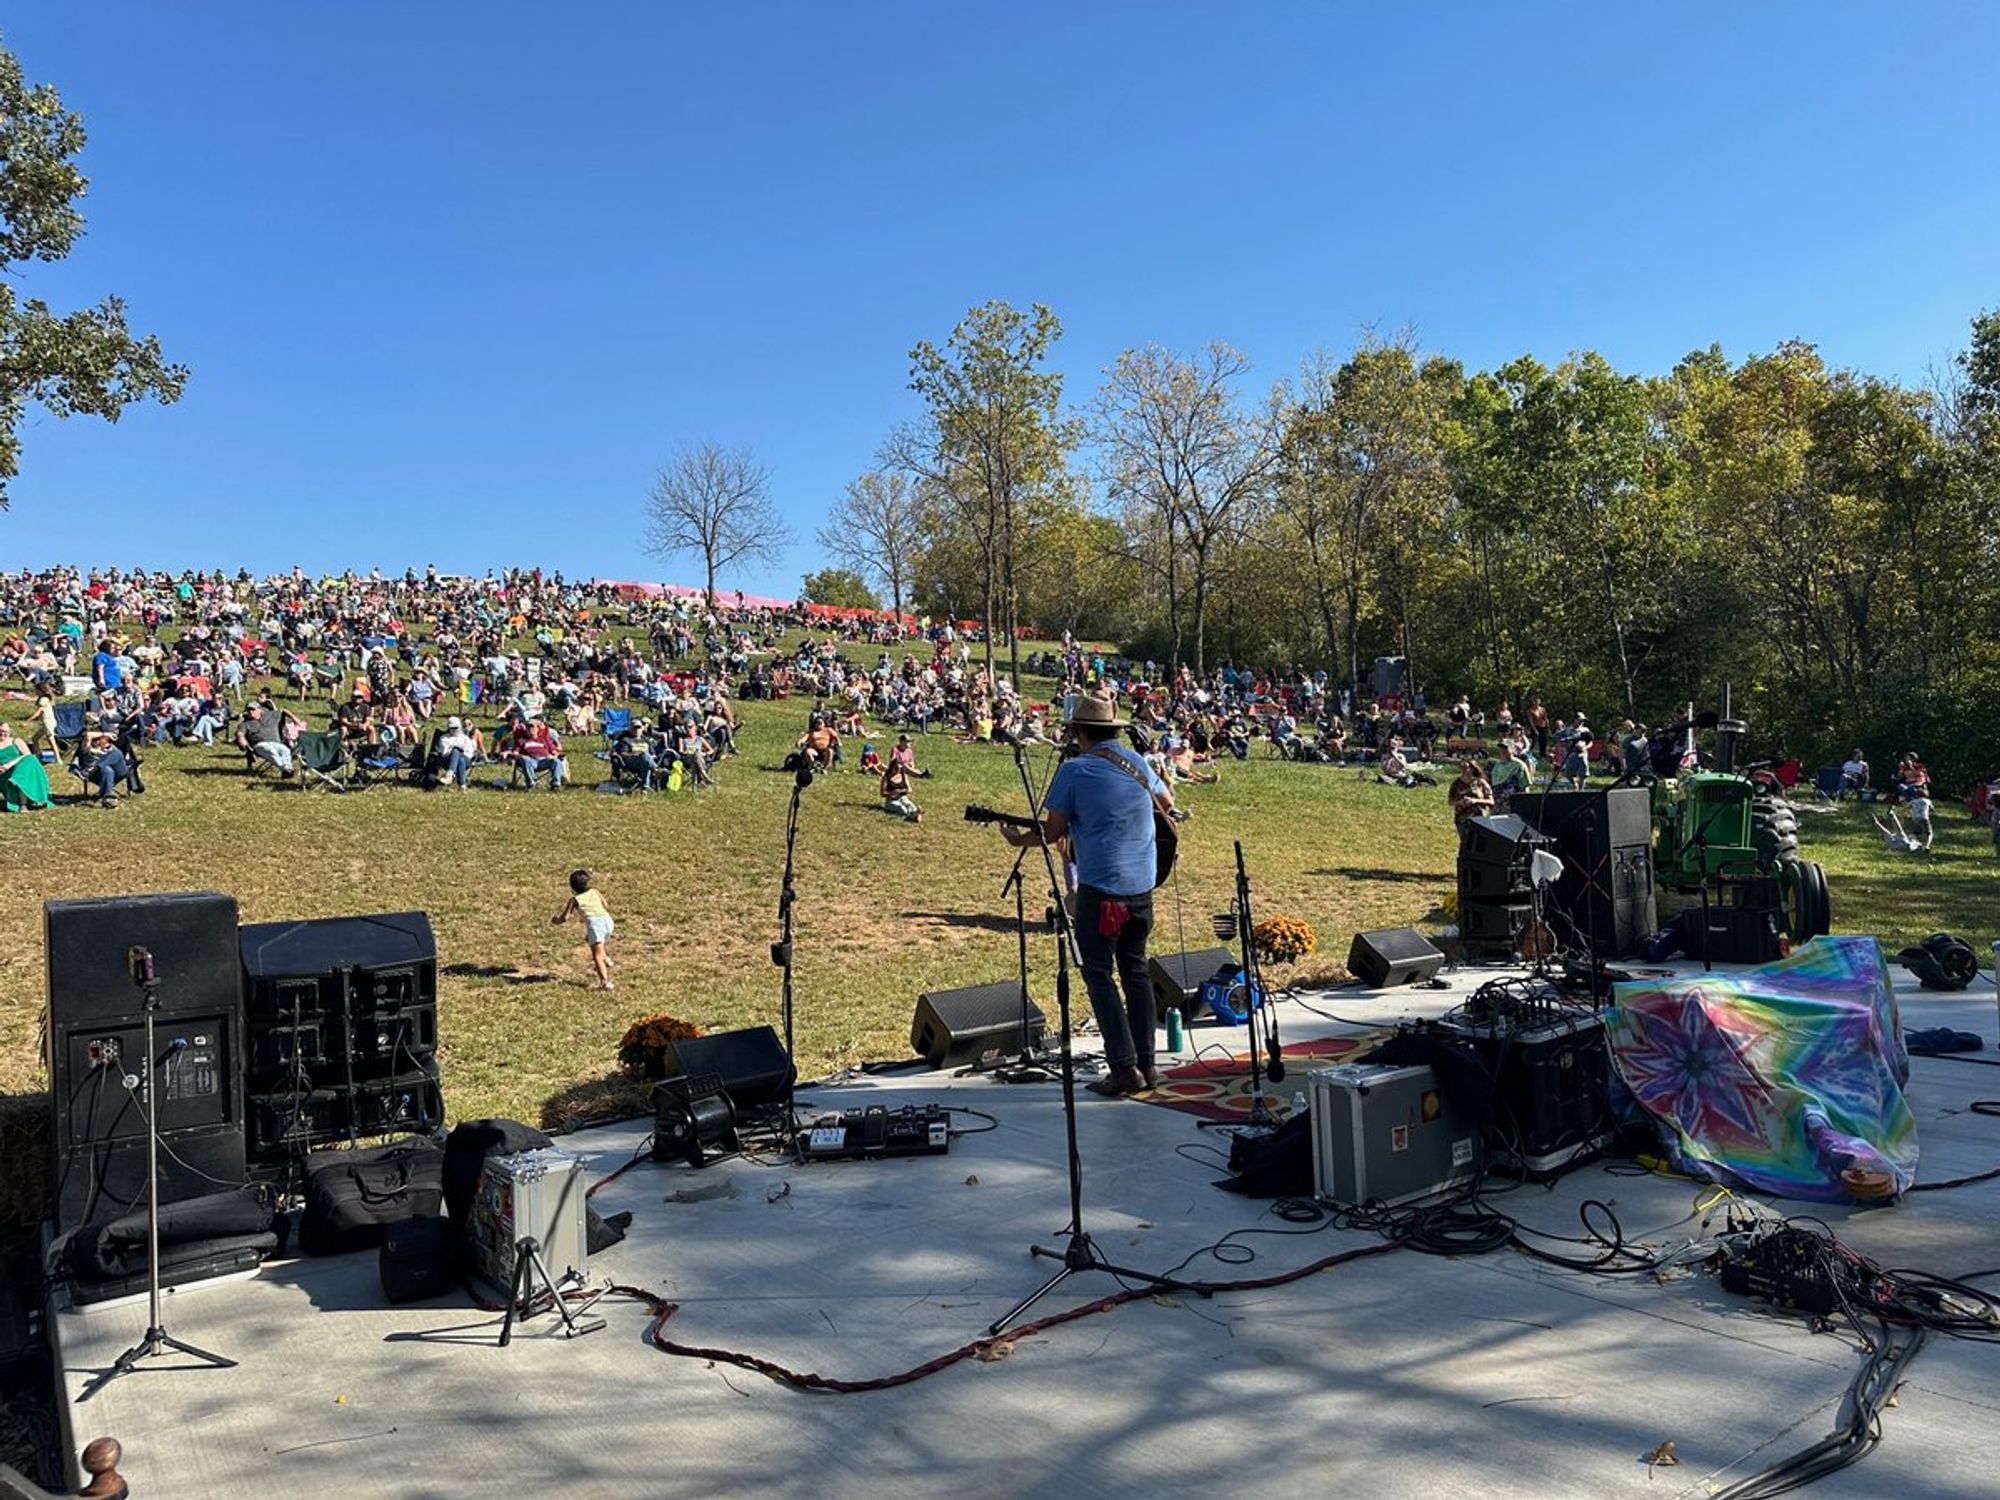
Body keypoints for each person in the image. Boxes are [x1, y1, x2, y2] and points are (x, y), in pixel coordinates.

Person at [997, 693, 1172, 1098]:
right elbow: (1167, 802)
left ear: (1077, 732)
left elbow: (1052, 832)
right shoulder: (1137, 762)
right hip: (1142, 888)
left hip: (1102, 890)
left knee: (1098, 973)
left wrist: (1014, 838)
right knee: (1136, 972)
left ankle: (1124, 1069)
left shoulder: (1075, 771)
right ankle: (1147, 1063)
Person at [552, 868, 615, 990]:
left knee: (596, 955)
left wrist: (555, 920)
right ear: (588, 883)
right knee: (593, 941)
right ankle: (606, 958)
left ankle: (604, 982)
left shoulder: (575, 900)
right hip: (607, 921)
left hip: (595, 924)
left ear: (572, 887)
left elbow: (564, 918)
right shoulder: (594, 891)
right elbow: (605, 904)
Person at [0, 721, 51, 812]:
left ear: (10, 731)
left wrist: (10, 764)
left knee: (30, 760)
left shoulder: (16, 741)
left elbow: (27, 755)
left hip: (19, 770)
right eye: (0, 731)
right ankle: (24, 804)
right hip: (4, 774)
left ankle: (23, 804)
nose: (3, 733)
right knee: (25, 769)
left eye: (5, 731)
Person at [1448, 758, 1493, 829]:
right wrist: (1460, 802)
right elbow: (1450, 801)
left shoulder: (1481, 783)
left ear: (1472, 769)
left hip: (1480, 818)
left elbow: (1491, 801)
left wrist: (1475, 801)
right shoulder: (1456, 783)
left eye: (1465, 767)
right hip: (1462, 819)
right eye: (1461, 767)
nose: (1462, 769)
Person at [880, 758, 921, 822]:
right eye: (896, 768)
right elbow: (882, 793)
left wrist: (904, 791)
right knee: (901, 808)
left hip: (903, 798)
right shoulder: (886, 777)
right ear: (892, 767)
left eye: (899, 768)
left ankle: (914, 814)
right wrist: (893, 793)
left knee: (912, 806)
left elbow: (909, 789)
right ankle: (912, 816)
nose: (898, 770)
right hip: (891, 800)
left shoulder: (903, 775)